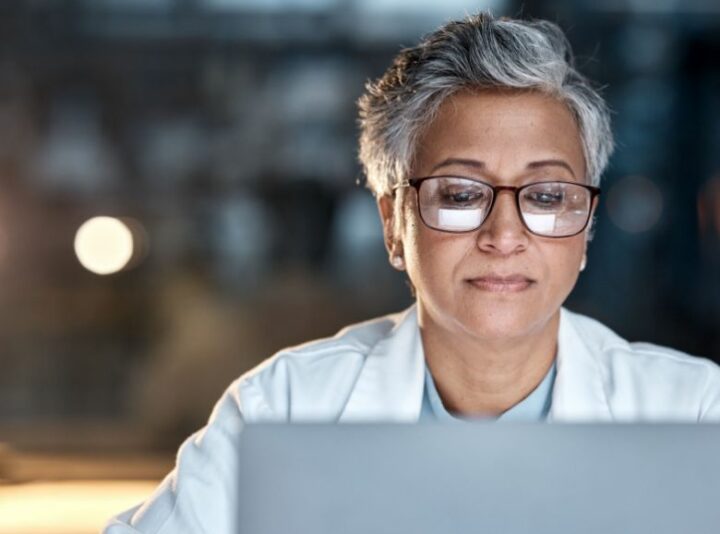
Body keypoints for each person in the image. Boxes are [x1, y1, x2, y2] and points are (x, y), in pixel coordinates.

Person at [105, 12, 720, 534]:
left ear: (585, 229)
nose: (504, 236)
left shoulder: (694, 415)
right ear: (393, 223)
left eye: (547, 197)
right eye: (459, 193)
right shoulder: (285, 409)